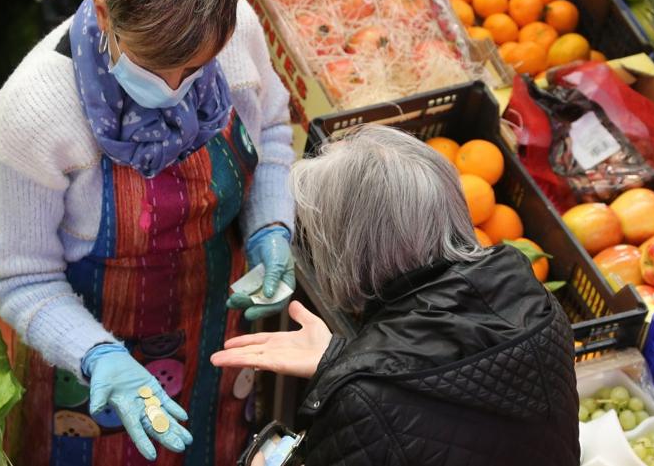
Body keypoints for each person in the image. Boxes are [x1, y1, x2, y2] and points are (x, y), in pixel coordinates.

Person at [0, 0, 296, 466]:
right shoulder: (34, 118)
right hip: (89, 368)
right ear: (103, 12)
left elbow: (271, 128)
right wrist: (99, 355)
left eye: (194, 70)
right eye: (153, 66)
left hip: (217, 332)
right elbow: (21, 279)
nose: (174, 91)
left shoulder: (235, 29)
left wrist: (271, 226)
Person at [212, 125, 581, 466]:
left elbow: (402, 414)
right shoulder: (538, 307)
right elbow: (455, 396)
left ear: (351, 253)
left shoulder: (364, 406)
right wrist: (345, 363)